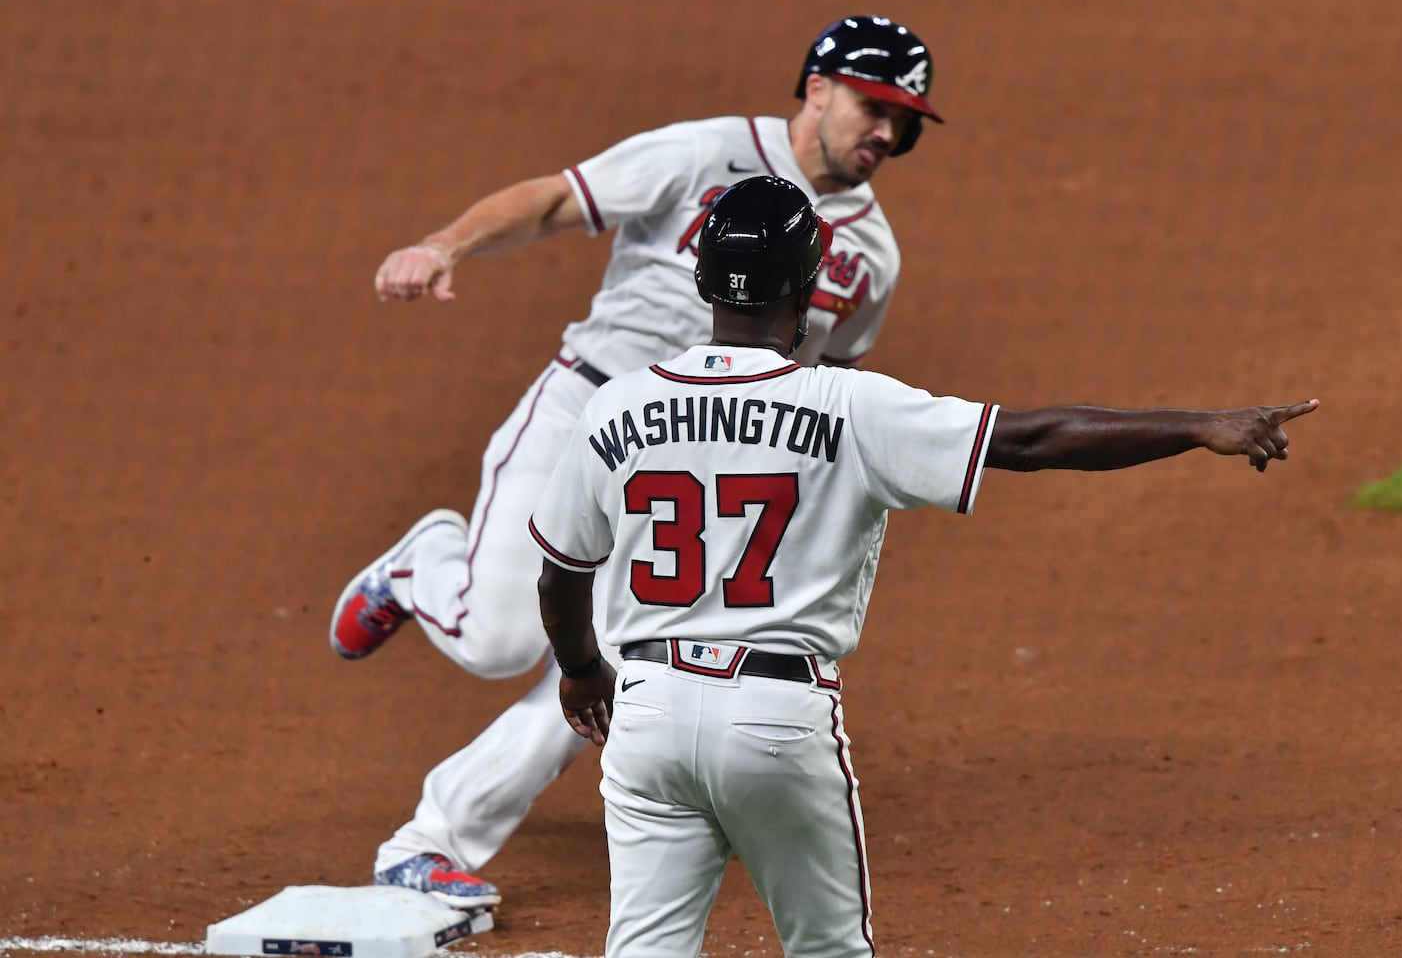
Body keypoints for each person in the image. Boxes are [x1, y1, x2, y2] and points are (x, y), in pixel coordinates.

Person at [530, 175, 1318, 957]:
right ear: (809, 287)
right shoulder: (847, 406)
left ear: (702, 279)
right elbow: (1029, 441)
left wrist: (579, 670)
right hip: (775, 716)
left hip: (648, 711)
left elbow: (560, 574)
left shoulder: (618, 407)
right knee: (829, 949)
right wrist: (1200, 425)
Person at [329, 15, 945, 907]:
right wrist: (443, 245)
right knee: (500, 641)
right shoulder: (706, 153)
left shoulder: (871, 257)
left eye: (906, 120)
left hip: (686, 472)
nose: (887, 134)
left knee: (621, 662)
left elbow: (817, 390)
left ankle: (432, 839)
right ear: (817, 88)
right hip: (583, 412)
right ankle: (424, 562)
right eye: (873, 107)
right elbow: (551, 201)